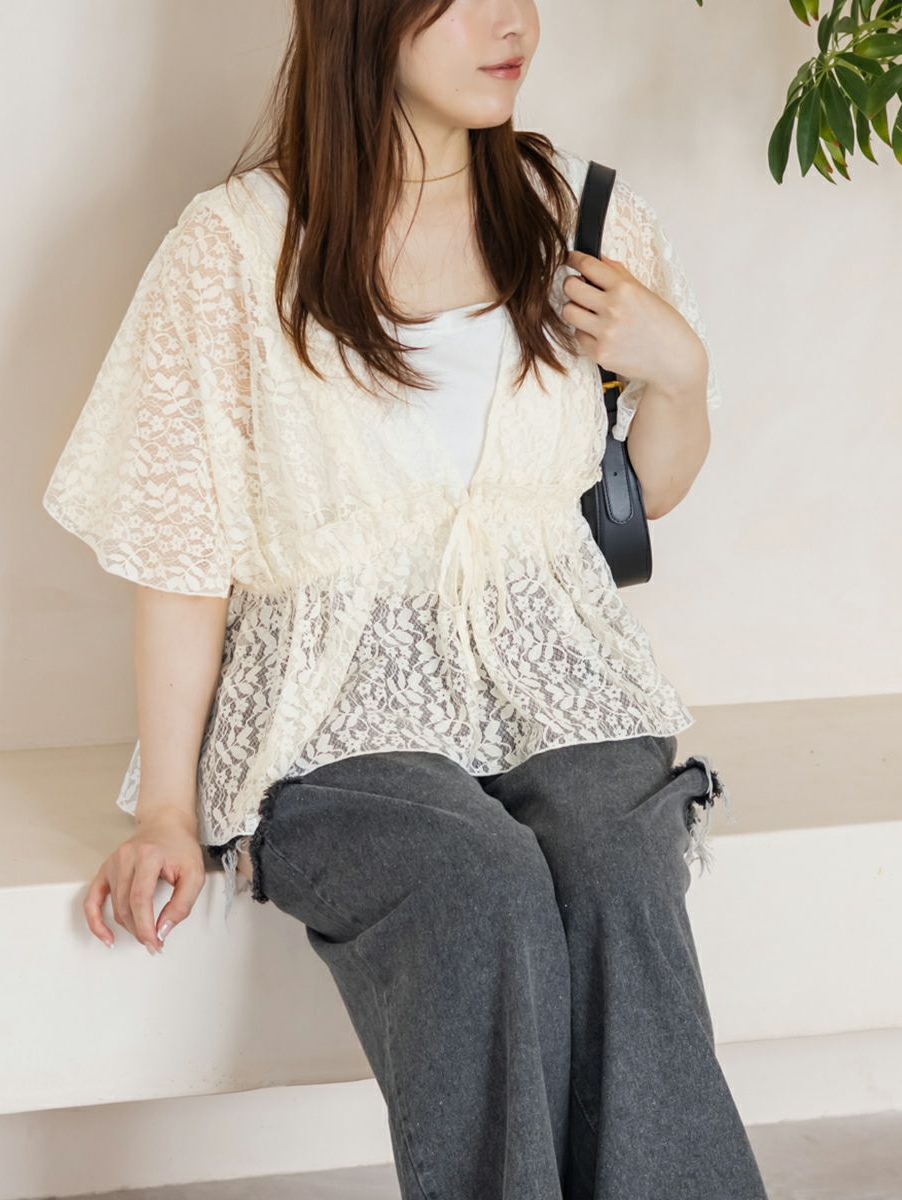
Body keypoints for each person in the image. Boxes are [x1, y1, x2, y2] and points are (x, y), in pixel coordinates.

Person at [41, 1, 769, 1196]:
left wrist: (677, 370)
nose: (512, 21)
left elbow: (640, 493)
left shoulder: (580, 216)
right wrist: (167, 809)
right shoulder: (236, 249)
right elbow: (182, 550)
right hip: (336, 706)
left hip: (555, 679)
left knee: (615, 863)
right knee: (476, 884)